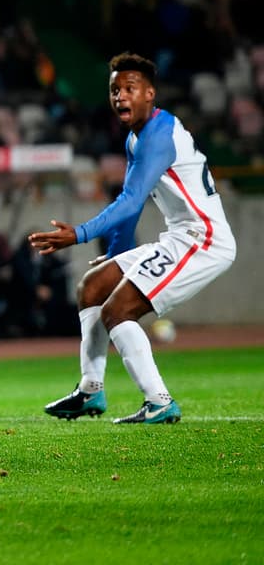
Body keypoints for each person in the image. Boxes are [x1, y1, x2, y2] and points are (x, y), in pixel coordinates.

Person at [31, 53, 235, 424]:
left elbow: (129, 201)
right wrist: (115, 255)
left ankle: (158, 401)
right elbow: (132, 206)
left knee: (117, 311)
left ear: (150, 94)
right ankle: (90, 391)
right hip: (179, 236)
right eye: (114, 90)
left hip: (205, 240)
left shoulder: (158, 136)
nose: (120, 96)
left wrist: (78, 234)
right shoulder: (135, 139)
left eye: (130, 88)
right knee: (92, 287)